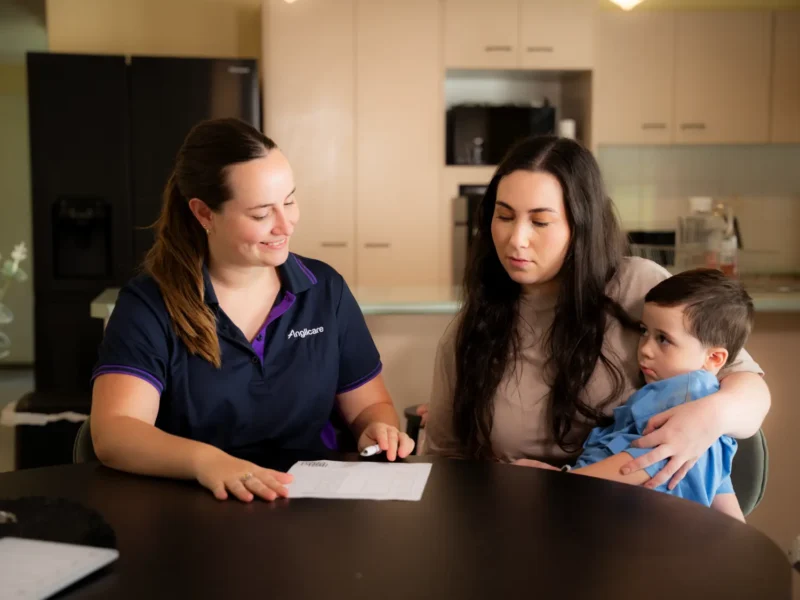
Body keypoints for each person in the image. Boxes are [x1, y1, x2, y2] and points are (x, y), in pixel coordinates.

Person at [91, 118, 414, 503]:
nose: (286, 224)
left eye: (290, 201)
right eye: (261, 214)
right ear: (204, 214)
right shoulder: (151, 304)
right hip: (194, 511)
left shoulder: (325, 290)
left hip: (308, 512)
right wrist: (207, 462)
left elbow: (371, 406)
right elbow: (115, 431)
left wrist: (377, 429)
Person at [425, 135, 770, 493]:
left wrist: (710, 416)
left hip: (635, 522)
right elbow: (444, 458)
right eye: (504, 216)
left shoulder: (641, 288)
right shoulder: (474, 327)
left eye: (540, 222)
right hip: (523, 517)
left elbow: (749, 389)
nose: (516, 239)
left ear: (581, 225)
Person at [520, 269, 753, 522]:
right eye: (644, 331)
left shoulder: (688, 395)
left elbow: (644, 462)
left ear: (714, 358)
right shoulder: (695, 403)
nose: (645, 349)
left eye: (663, 339)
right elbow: (720, 488)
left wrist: (561, 484)